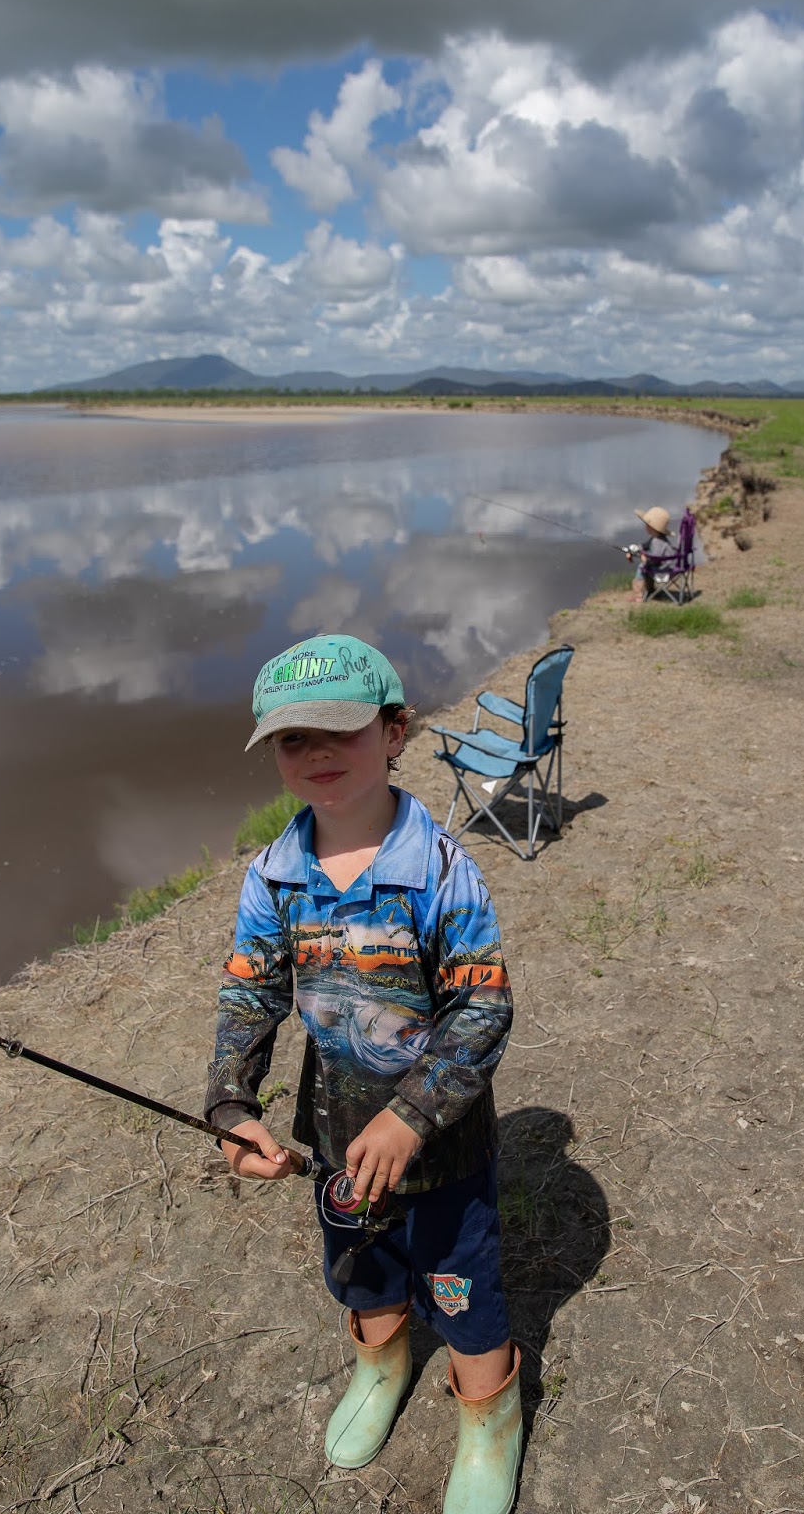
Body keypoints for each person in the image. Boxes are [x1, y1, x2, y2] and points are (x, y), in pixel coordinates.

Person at [204, 633, 521, 1514]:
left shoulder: (444, 871)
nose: (316, 753)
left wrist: (412, 1114)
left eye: (339, 731)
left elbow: (483, 1007)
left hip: (443, 1149)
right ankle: (381, 1366)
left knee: (463, 1289)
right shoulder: (272, 877)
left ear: (394, 731)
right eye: (292, 739)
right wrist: (231, 1106)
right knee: (361, 1268)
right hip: (336, 1139)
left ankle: (488, 1420)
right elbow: (249, 994)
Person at [628, 505, 676, 603]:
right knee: (645, 565)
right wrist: (633, 550)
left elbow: (654, 560)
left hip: (665, 570)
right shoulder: (657, 538)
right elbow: (645, 545)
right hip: (668, 566)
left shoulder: (657, 542)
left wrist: (644, 557)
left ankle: (639, 594)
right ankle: (650, 590)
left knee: (642, 567)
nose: (645, 526)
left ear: (651, 527)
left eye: (647, 524)